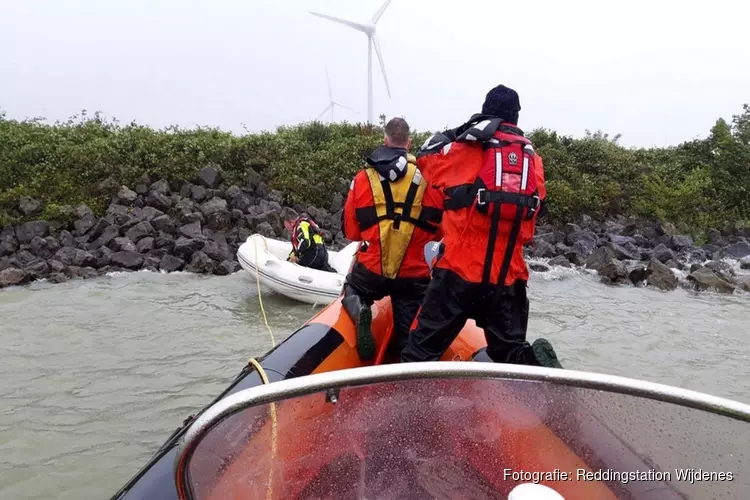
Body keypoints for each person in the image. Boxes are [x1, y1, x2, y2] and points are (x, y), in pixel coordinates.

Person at [400, 84, 562, 368]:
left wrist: (464, 129)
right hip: (508, 279)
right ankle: (536, 370)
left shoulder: (467, 149)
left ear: (486, 112)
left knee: (420, 352)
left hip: (458, 275)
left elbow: (426, 158)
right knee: (509, 353)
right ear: (516, 118)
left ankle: (410, 410)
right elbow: (538, 208)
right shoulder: (532, 160)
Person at [342, 117, 444, 361]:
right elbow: (438, 232)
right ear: (409, 143)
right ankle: (404, 363)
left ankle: (360, 308)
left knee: (352, 288)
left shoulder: (362, 178)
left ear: (385, 140)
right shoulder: (430, 181)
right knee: (410, 333)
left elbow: (351, 232)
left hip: (372, 271)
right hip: (413, 275)